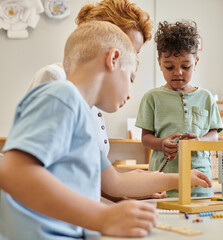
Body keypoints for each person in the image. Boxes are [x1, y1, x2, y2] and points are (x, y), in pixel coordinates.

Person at [0, 21, 211, 239]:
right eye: (130, 78)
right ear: (113, 60)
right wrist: (103, 217)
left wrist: (182, 177)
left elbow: (115, 182)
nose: (129, 94)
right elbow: (13, 172)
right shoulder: (62, 95)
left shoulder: (82, 117)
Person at [26, 0, 152, 158]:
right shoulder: (55, 79)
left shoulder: (96, 98)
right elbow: (32, 163)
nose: (130, 61)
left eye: (135, 54)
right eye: (127, 50)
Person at [135, 20, 223, 198]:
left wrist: (199, 141)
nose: (178, 72)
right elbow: (145, 138)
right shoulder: (152, 97)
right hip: (162, 182)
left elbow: (214, 134)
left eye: (186, 66)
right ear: (159, 63)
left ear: (196, 62)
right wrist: (161, 143)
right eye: (169, 66)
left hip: (200, 182)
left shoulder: (206, 97)